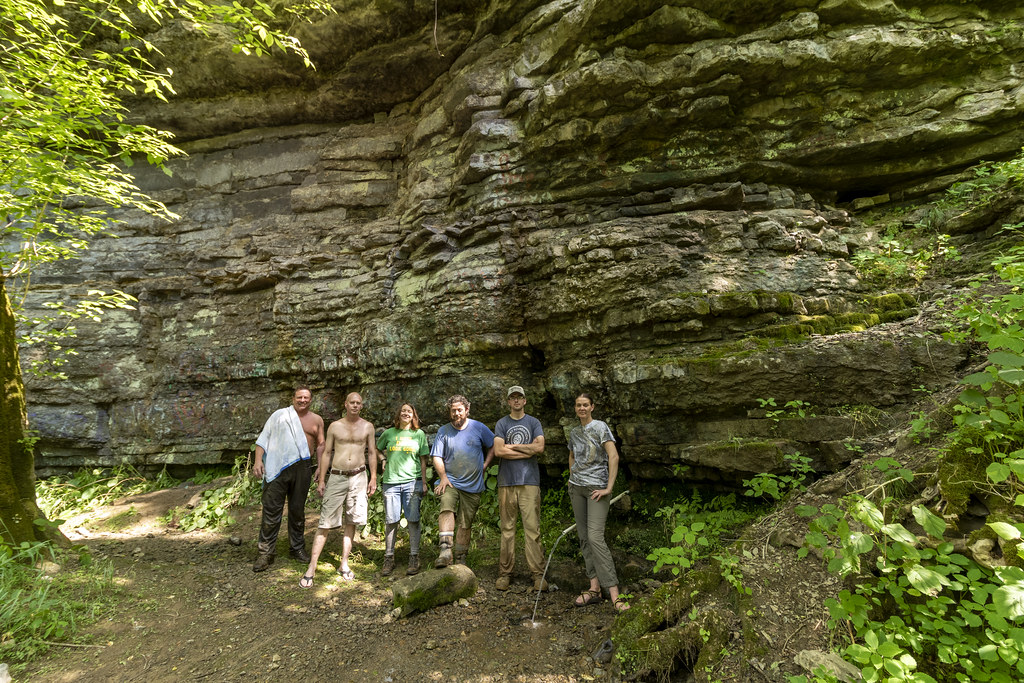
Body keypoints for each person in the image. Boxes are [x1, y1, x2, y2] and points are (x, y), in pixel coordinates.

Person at [299, 392, 377, 588]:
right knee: (325, 521)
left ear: (361, 406)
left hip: (359, 476)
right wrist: (322, 479)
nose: (355, 406)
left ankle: (344, 563)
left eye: (358, 403)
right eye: (352, 402)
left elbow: (372, 452)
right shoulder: (335, 426)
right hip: (337, 475)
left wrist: (373, 477)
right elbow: (326, 452)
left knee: (352, 520)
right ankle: (312, 567)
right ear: (345, 404)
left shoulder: (367, 426)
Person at [252, 385, 325, 572]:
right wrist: (258, 461)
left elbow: (320, 445)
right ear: (293, 399)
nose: (303, 400)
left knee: (297, 510)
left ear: (311, 400)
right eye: (299, 397)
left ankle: (297, 548)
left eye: (306, 398)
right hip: (277, 467)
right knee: (271, 510)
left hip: (303, 468)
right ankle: (265, 553)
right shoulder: (279, 416)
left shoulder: (316, 420)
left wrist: (321, 469)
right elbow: (263, 439)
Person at [568, 393, 629, 611]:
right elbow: (573, 456)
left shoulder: (601, 427)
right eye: (578, 405)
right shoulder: (574, 432)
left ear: (592, 407)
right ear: (575, 408)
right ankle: (594, 588)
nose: (582, 408)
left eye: (585, 405)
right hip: (576, 488)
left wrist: (609, 488)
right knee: (584, 538)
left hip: (597, 490)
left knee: (595, 537)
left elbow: (613, 456)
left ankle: (614, 593)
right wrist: (572, 478)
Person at [493, 385, 546, 592]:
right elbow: (498, 450)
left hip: (529, 482)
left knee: (532, 529)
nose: (516, 401)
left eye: (519, 397)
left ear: (525, 401)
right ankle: (505, 573)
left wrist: (511, 446)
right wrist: (526, 450)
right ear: (508, 401)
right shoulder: (502, 423)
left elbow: (540, 448)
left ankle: (538, 574)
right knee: (507, 530)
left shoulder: (533, 422)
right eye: (512, 398)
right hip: (507, 482)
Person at [431, 394, 494, 568]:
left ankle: (460, 557)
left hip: (473, 485)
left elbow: (494, 445)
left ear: (467, 410)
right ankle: (445, 552)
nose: (457, 413)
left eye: (460, 410)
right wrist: (443, 477)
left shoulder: (479, 428)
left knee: (466, 522)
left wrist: (485, 464)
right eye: (453, 411)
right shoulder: (443, 431)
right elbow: (436, 456)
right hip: (450, 481)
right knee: (446, 507)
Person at [376, 402, 430, 576]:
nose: (406, 413)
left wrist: (424, 481)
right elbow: (376, 449)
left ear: (413, 415)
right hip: (390, 481)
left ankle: (414, 556)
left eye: (409, 411)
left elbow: (423, 460)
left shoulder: (419, 434)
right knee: (391, 520)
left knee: (413, 519)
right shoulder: (389, 433)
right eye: (403, 411)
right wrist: (383, 460)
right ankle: (389, 557)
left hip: (412, 482)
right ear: (398, 414)